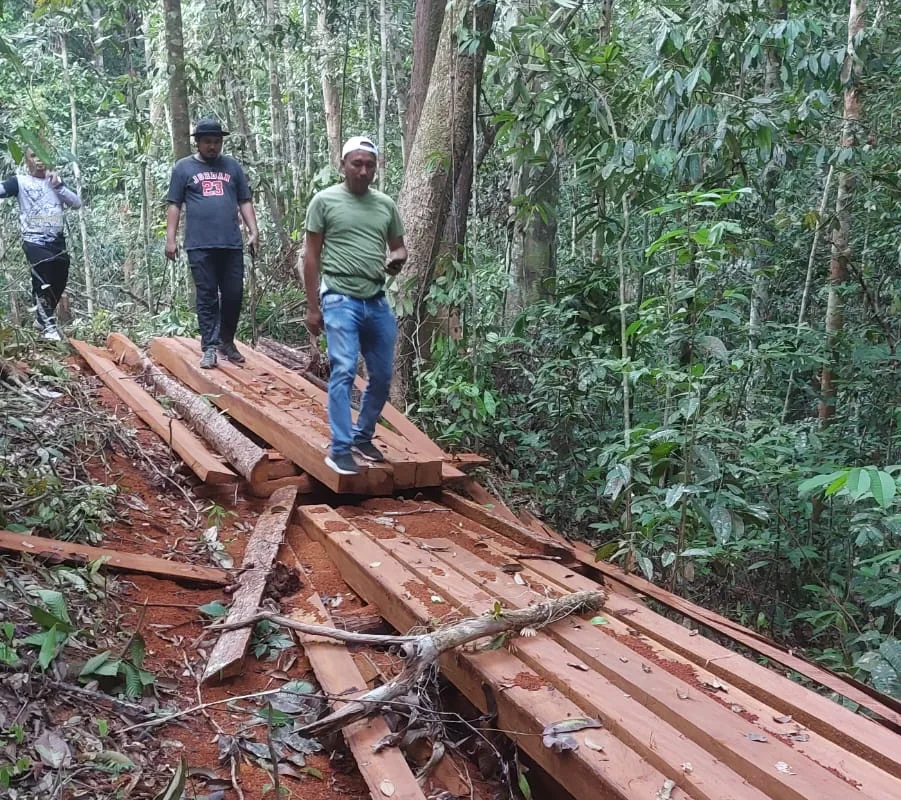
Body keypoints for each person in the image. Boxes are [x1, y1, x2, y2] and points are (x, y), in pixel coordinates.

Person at [303, 135, 407, 476]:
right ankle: (340, 449)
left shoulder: (385, 205)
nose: (363, 170)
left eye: (370, 165)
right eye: (357, 163)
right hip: (339, 298)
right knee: (345, 368)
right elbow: (311, 256)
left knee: (381, 375)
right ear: (343, 164)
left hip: (376, 300)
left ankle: (363, 436)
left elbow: (398, 247)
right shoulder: (324, 201)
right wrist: (312, 306)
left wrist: (396, 260)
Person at [165, 118, 260, 369]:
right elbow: (174, 204)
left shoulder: (233, 167)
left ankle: (227, 341)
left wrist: (253, 230)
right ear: (197, 142)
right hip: (200, 244)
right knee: (206, 296)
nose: (212, 147)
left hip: (230, 244)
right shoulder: (183, 168)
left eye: (217, 142)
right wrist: (171, 239)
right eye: (207, 142)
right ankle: (209, 347)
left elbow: (244, 200)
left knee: (233, 295)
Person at [0, 147, 83, 341]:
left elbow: (77, 203)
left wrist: (58, 186)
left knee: (60, 279)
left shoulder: (55, 182)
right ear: (26, 160)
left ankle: (40, 319)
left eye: (41, 154)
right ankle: (49, 327)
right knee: (42, 280)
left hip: (56, 241)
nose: (38, 160)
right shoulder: (20, 182)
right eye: (33, 156)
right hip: (34, 241)